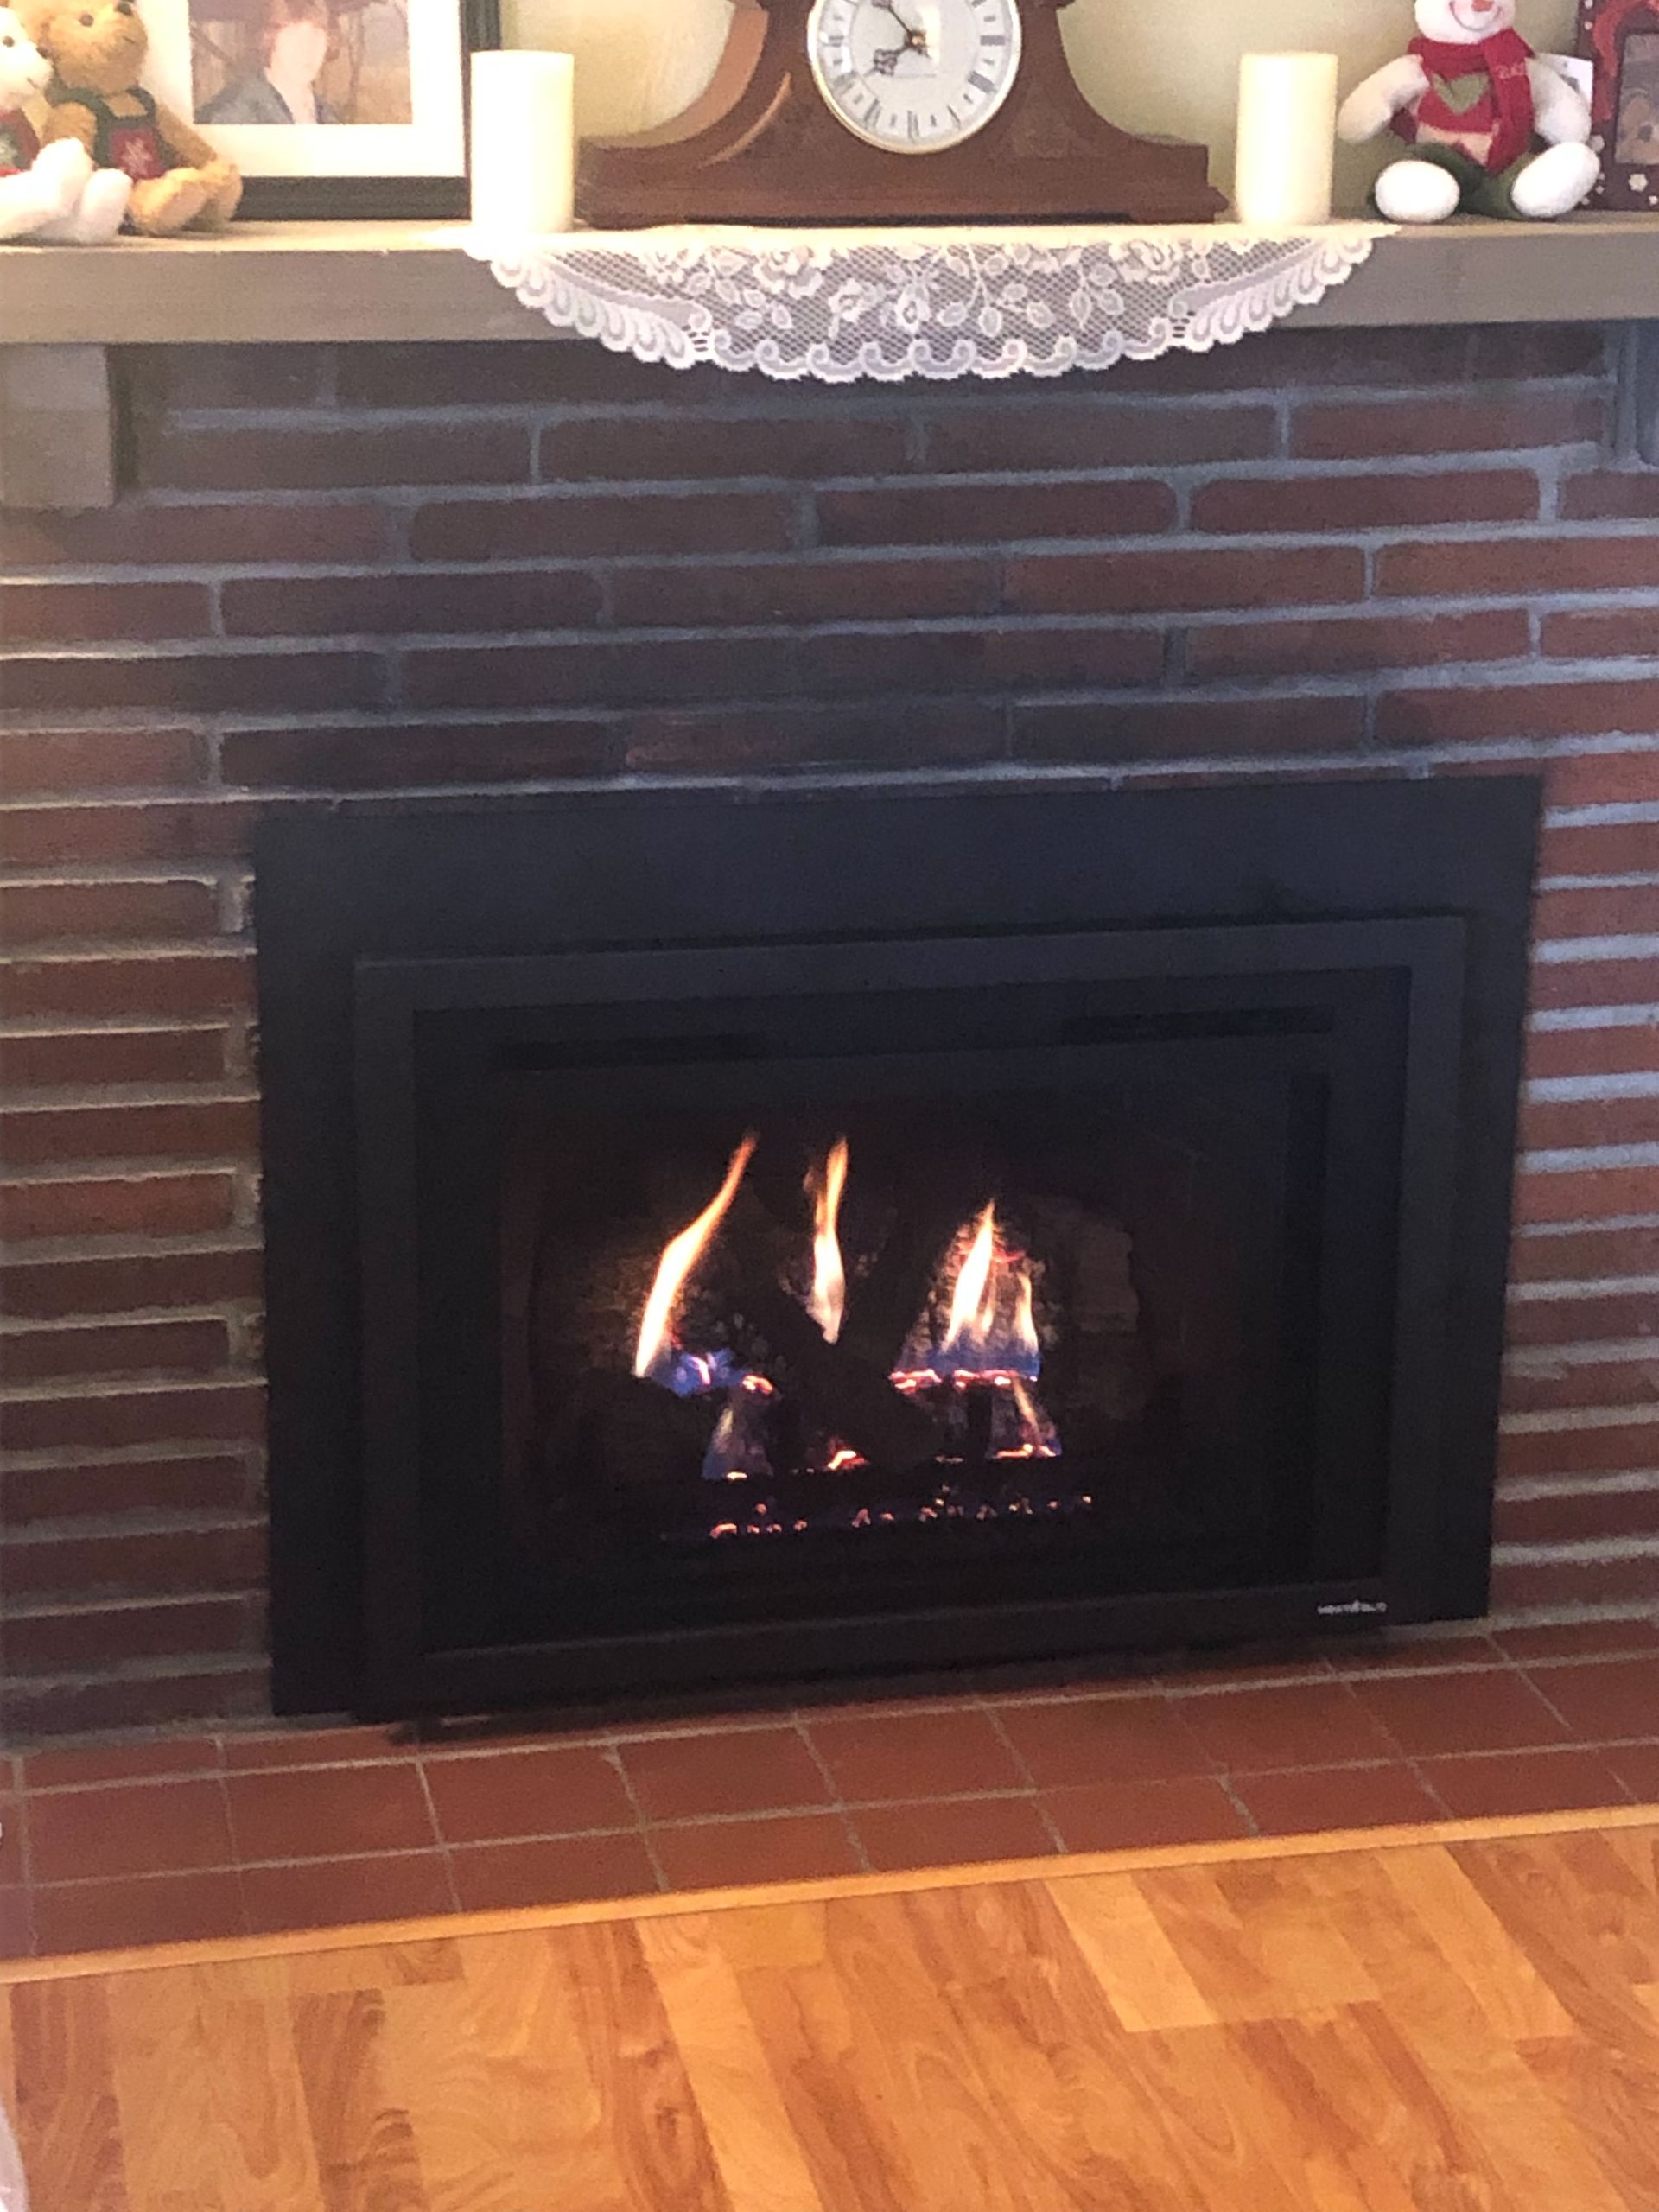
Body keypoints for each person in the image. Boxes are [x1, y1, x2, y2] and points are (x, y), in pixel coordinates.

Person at [198, 0, 338, 124]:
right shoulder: (231, 114)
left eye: (317, 33)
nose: (307, 47)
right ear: (269, 38)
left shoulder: (329, 116)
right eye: (293, 34)